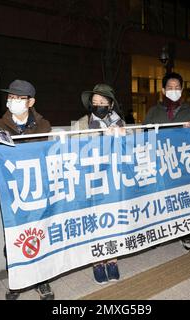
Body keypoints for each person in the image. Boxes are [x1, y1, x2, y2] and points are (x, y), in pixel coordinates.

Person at [0, 79, 54, 300]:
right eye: (11, 98)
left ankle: (42, 280)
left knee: (40, 232)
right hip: (11, 191)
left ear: (31, 102)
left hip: (37, 188)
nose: (14, 102)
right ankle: (16, 281)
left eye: (20, 98)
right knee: (13, 236)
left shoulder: (43, 124)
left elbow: (41, 153)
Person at [71, 83, 124, 284]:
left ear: (110, 105)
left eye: (102, 102)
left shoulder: (120, 124)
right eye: (95, 102)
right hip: (90, 182)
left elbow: (129, 152)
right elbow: (73, 152)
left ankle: (112, 259)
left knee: (112, 220)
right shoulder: (81, 124)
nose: (98, 105)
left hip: (113, 181)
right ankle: (97, 262)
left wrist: (120, 138)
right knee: (94, 222)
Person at [143, 72, 190, 252]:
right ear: (163, 90)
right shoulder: (153, 111)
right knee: (160, 199)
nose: (173, 91)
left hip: (182, 164)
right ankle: (159, 233)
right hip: (160, 163)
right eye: (170, 88)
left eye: (177, 88)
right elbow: (145, 136)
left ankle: (184, 233)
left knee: (182, 199)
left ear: (181, 90)